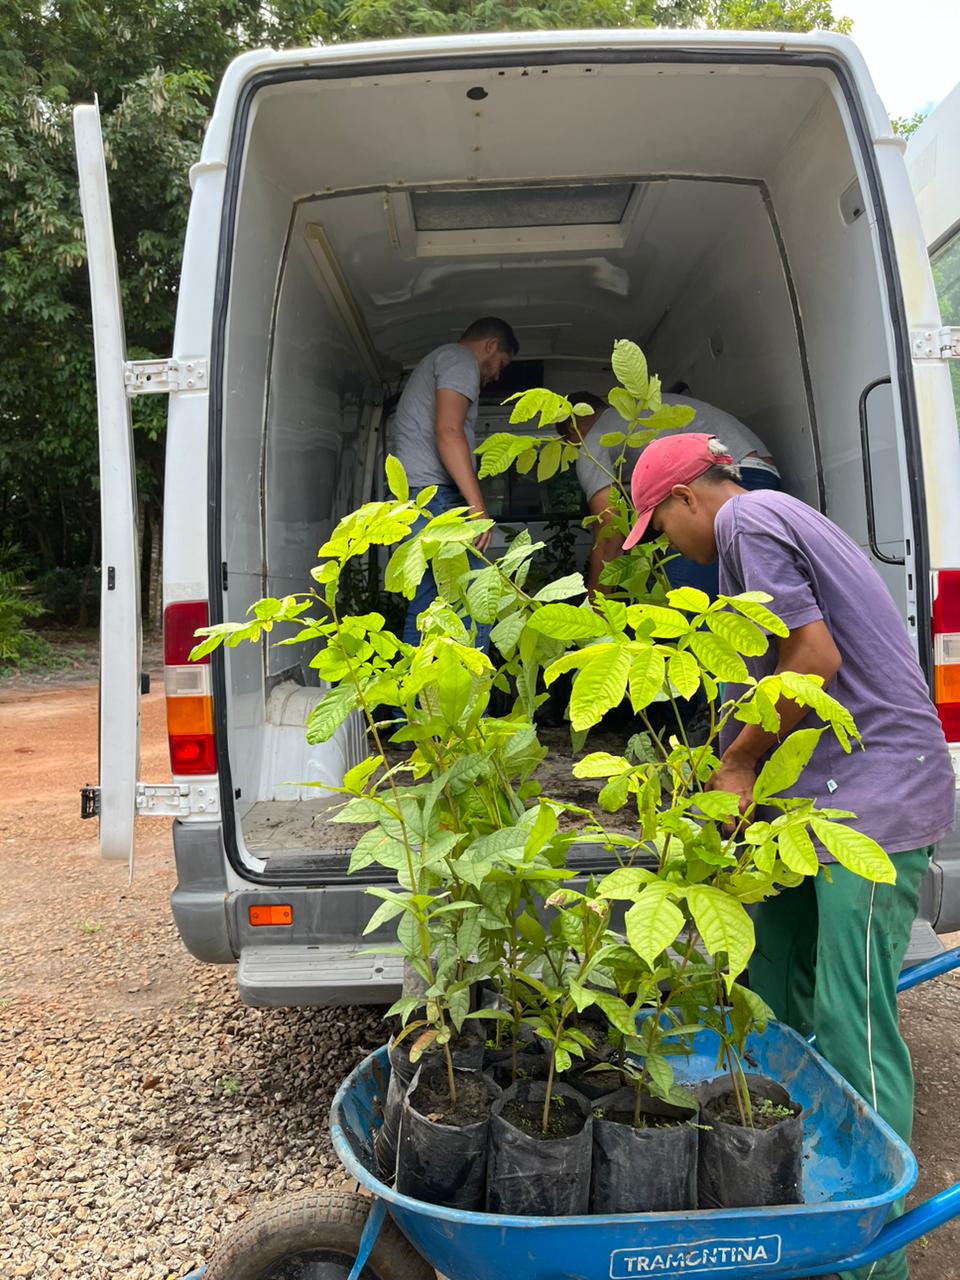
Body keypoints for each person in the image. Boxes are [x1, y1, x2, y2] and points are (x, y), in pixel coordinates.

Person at [620, 432, 955, 1280]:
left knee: (853, 1018)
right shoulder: (758, 538)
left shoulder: (750, 523)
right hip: (816, 804)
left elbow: (812, 661)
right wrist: (722, 761)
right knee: (769, 984)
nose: (668, 549)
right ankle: (788, 1172)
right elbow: (771, 680)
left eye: (659, 529)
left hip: (875, 804)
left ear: (688, 497)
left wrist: (736, 762)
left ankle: (871, 1247)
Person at [559, 391, 780, 598]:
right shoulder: (631, 413)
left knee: (687, 596)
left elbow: (609, 533)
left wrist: (597, 609)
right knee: (751, 590)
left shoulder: (592, 442)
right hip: (762, 470)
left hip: (725, 475)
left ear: (571, 429)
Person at [394, 317, 518, 647]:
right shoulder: (459, 359)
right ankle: (470, 699)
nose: (496, 375)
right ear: (490, 346)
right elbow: (449, 432)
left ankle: (413, 699)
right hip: (436, 501)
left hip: (420, 501)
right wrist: (479, 511)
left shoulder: (439, 360)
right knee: (471, 606)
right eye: (500, 364)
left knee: (427, 609)